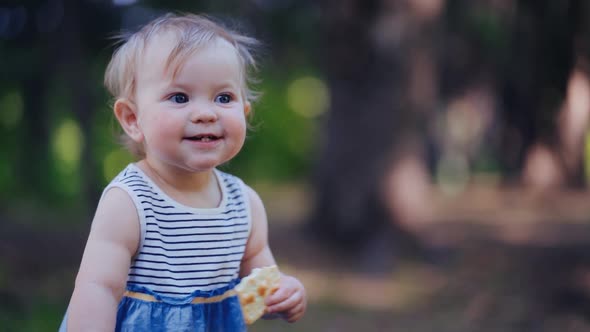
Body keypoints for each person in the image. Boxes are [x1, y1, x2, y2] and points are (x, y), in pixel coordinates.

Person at [59, 13, 306, 331]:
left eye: (223, 98)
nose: (206, 113)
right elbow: (98, 290)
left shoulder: (244, 204)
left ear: (244, 112)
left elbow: (260, 292)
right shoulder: (130, 202)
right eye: (179, 97)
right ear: (133, 119)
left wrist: (284, 294)